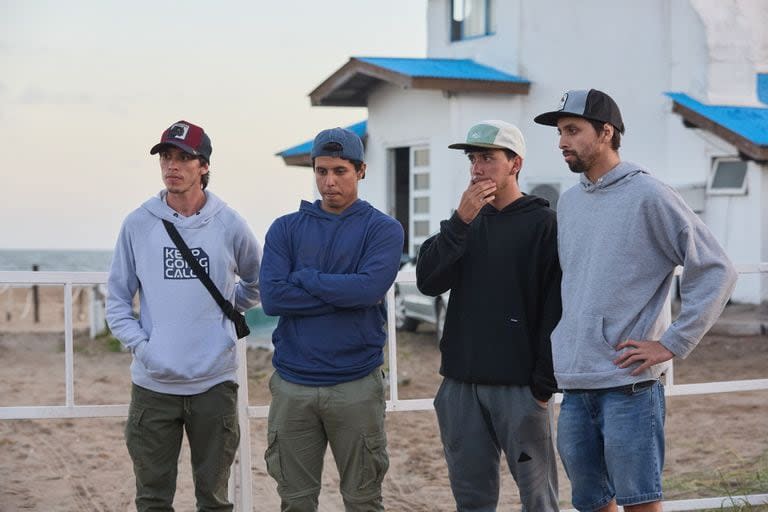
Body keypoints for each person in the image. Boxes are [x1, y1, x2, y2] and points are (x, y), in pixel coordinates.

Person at [533, 89, 738, 512]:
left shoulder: (649, 194)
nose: (561, 142)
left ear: (606, 132)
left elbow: (716, 267)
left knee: (640, 504)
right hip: (576, 381)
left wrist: (672, 342)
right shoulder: (569, 203)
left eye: (573, 130)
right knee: (591, 503)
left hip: (629, 384)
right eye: (559, 132)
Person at [106, 120, 262, 512]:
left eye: (184, 158)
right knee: (153, 499)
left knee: (214, 500)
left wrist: (225, 318)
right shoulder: (139, 223)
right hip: (154, 385)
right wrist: (145, 348)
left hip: (214, 383)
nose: (172, 166)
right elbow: (118, 300)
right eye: (167, 157)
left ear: (204, 166)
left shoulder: (229, 223)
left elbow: (258, 282)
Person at [416, 120, 561, 511]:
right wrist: (459, 222)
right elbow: (428, 281)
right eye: (472, 159)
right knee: (472, 500)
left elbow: (556, 308)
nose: (477, 168)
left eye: (487, 158)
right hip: (460, 385)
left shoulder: (544, 224)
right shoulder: (464, 222)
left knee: (539, 499)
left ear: (515, 163)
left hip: (520, 388)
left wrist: (543, 386)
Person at [259, 127, 404, 511]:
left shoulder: (383, 229)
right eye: (321, 171)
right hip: (293, 385)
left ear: (360, 171)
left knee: (363, 499)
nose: (329, 181)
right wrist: (343, 293)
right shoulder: (285, 229)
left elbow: (368, 291)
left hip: (355, 384)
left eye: (339, 171)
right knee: (295, 501)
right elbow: (272, 298)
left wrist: (305, 278)